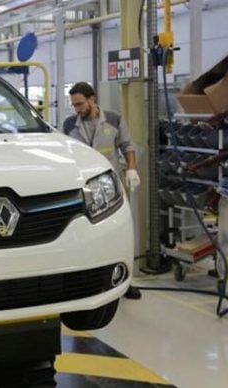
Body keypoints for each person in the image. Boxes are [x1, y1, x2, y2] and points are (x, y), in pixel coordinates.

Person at [63, 82, 142, 300]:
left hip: (111, 188)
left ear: (92, 99)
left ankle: (125, 282)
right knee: (85, 236)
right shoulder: (70, 124)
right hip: (83, 190)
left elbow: (127, 145)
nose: (77, 109)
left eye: (80, 104)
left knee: (120, 235)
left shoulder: (114, 119)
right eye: (74, 105)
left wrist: (132, 169)